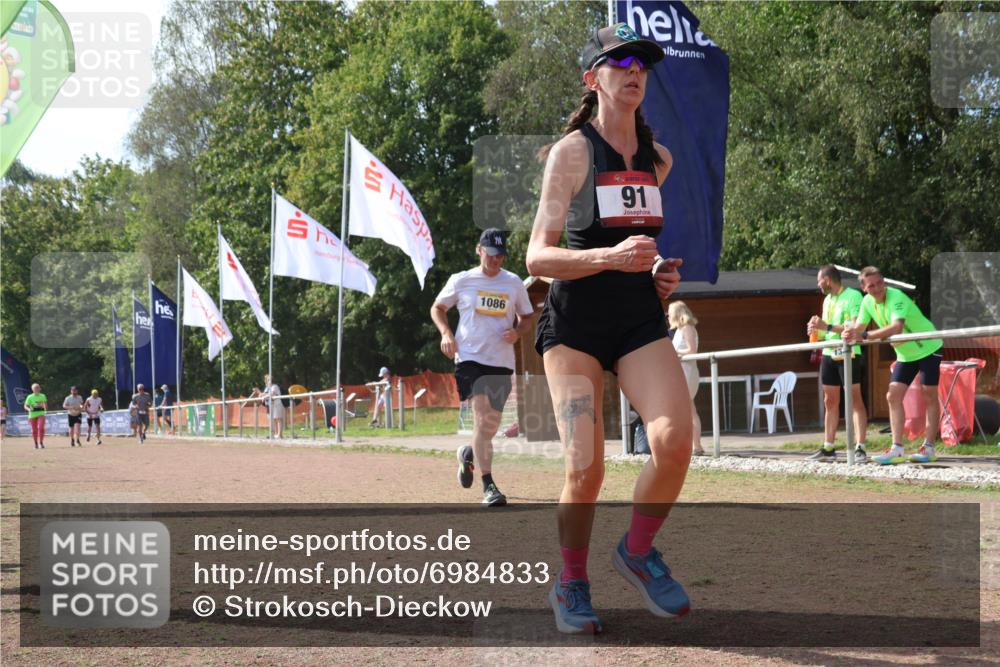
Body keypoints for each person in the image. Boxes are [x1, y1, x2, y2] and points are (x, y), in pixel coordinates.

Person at [525, 23, 687, 634]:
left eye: (642, 62)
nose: (633, 70)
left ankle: (638, 554)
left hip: (638, 318)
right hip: (574, 325)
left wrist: (657, 275)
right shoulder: (572, 152)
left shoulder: (659, 159)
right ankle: (570, 581)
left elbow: (641, 247)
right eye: (619, 61)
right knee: (586, 468)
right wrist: (610, 259)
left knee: (674, 442)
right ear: (594, 78)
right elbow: (538, 259)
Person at [431, 227, 535, 507]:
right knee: (481, 418)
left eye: (500, 255)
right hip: (470, 358)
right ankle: (489, 486)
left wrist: (518, 332)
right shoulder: (462, 280)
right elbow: (437, 308)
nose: (495, 260)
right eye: (491, 254)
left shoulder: (513, 283)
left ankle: (468, 454)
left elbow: (527, 317)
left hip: (501, 361)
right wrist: (446, 333)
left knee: (489, 426)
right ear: (480, 250)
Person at [843, 266, 944, 464]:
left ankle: (929, 447)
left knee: (928, 394)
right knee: (893, 396)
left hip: (929, 346)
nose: (878, 288)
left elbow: (896, 327)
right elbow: (859, 328)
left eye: (880, 282)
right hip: (906, 354)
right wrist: (848, 333)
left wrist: (863, 336)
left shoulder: (896, 296)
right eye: (872, 285)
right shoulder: (867, 302)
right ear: (864, 288)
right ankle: (897, 447)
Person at [806, 265, 869, 463]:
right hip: (828, 352)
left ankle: (860, 447)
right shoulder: (827, 300)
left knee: (854, 400)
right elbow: (827, 332)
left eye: (819, 281)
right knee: (829, 401)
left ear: (827, 280)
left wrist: (827, 326)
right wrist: (815, 329)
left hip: (848, 352)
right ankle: (828, 447)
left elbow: (853, 327)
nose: (818, 285)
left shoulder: (853, 296)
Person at [668, 302, 703, 456]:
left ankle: (696, 446)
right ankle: (694, 445)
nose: (668, 317)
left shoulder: (687, 328)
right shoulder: (679, 330)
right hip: (681, 372)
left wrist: (675, 353)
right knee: (688, 410)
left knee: (688, 410)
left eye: (670, 314)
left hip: (687, 372)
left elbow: (691, 350)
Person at [24, 383, 47, 449]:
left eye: (37, 387)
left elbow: (45, 404)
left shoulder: (43, 396)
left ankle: (41, 443)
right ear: (32, 389)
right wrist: (29, 409)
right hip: (32, 415)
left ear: (39, 388)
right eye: (35, 388)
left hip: (41, 414)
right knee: (34, 430)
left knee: (41, 428)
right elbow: (25, 406)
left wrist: (45, 411)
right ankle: (36, 444)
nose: (36, 389)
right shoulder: (29, 397)